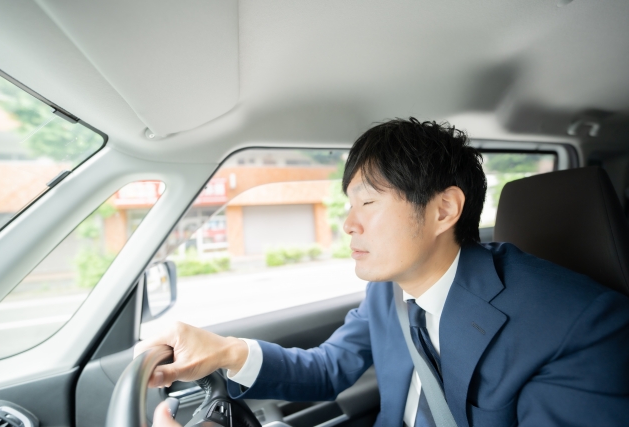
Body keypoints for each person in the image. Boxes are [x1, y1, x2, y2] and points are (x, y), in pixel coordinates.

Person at [138, 118, 629, 427]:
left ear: (443, 211)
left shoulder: (581, 326)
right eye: (348, 205)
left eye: (368, 203)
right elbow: (329, 369)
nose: (348, 224)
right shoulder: (389, 292)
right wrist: (226, 351)